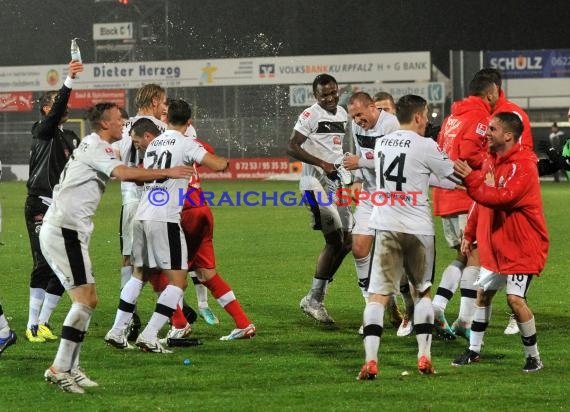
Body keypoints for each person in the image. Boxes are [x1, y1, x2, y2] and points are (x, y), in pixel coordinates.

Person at [39, 102, 194, 393]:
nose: (123, 121)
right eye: (118, 118)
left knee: (88, 300)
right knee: (84, 300)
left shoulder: (100, 145)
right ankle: (60, 368)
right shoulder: (95, 145)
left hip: (72, 230)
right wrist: (168, 172)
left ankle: (70, 366)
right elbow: (123, 173)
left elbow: (127, 164)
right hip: (64, 230)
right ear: (104, 123)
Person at [106, 98, 230, 353]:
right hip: (165, 219)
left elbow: (143, 177)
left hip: (142, 215)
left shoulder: (152, 145)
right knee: (178, 282)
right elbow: (217, 165)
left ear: (166, 119)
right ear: (189, 121)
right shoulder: (187, 143)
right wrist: (223, 161)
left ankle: (117, 332)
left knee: (140, 274)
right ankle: (149, 335)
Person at [357, 95, 458, 379]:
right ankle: (424, 356)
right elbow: (452, 175)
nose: (427, 120)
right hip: (418, 229)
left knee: (377, 296)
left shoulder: (381, 144)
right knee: (422, 292)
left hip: (386, 225)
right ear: (417, 116)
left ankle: (371, 360)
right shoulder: (426, 145)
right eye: (425, 115)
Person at [452, 112, 548, 373]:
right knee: (483, 295)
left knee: (515, 300)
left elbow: (502, 198)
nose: (487, 132)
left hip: (522, 246)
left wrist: (470, 179)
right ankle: (473, 351)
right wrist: (469, 234)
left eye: (492, 129)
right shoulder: (491, 162)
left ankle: (533, 357)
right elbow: (479, 200)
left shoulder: (524, 165)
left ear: (508, 135)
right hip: (498, 246)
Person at [430, 74, 499, 340]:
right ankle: (466, 320)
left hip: (445, 195)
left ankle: (438, 306)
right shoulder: (480, 118)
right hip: (464, 195)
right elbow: (470, 153)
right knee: (475, 257)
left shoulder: (451, 118)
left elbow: (440, 152)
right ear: (490, 94)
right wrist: (491, 160)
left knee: (462, 256)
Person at [342, 92, 414, 337]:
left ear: (372, 107)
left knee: (398, 258)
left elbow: (393, 160)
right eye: (354, 116)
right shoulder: (355, 125)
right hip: (371, 195)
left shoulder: (391, 124)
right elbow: (360, 152)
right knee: (359, 248)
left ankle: (410, 311)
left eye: (360, 114)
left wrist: (360, 164)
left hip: (393, 197)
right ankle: (371, 310)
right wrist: (357, 181)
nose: (357, 120)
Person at [24, 59, 84, 343]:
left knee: (64, 268)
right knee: (43, 264)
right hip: (39, 204)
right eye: (58, 103)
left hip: (60, 208)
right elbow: (60, 106)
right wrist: (68, 81)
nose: (66, 107)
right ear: (47, 110)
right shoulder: (42, 129)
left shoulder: (65, 136)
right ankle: (31, 324)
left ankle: (44, 323)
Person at [286, 73, 352, 324]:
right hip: (314, 184)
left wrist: (341, 165)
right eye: (324, 94)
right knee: (335, 240)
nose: (331, 98)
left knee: (349, 241)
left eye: (334, 92)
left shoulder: (344, 114)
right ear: (316, 96)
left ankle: (315, 296)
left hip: (335, 182)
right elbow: (292, 147)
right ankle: (315, 298)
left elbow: (335, 147)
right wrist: (322, 163)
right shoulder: (310, 115)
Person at [113, 84, 168, 340]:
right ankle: (128, 321)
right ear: (156, 100)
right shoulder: (157, 128)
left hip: (131, 200)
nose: (164, 106)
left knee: (132, 260)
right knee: (163, 262)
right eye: (163, 101)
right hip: (153, 199)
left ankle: (130, 319)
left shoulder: (125, 126)